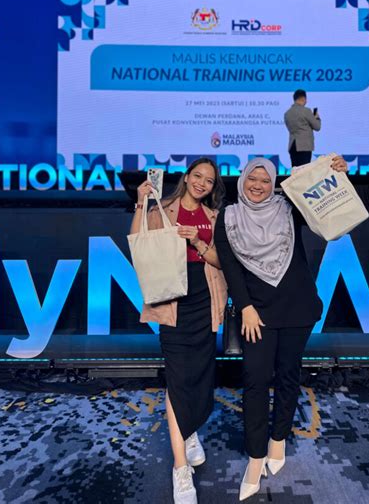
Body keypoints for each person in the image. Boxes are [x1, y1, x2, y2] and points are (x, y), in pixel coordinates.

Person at [214, 155, 347, 501]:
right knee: (255, 380)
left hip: (297, 308)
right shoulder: (228, 217)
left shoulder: (289, 207)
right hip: (256, 314)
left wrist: (336, 173)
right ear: (242, 180)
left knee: (288, 376)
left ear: (273, 183)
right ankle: (255, 456)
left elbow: (326, 204)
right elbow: (230, 267)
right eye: (252, 179)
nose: (257, 186)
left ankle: (278, 440)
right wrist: (245, 307)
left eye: (265, 180)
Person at [131, 158, 227, 504]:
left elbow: (222, 262)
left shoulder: (215, 217)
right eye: (197, 176)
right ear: (186, 177)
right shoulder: (163, 207)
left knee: (200, 375)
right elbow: (139, 243)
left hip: (205, 301)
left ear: (213, 187)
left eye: (209, 180)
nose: (202, 183)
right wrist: (141, 203)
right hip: (173, 302)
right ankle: (180, 467)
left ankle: (188, 431)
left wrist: (198, 242)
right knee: (177, 378)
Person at [284, 89, 321, 167]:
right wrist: (317, 118)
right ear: (304, 98)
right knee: (304, 171)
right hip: (304, 146)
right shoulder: (306, 111)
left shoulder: (287, 113)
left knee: (295, 171)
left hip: (292, 146)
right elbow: (317, 127)